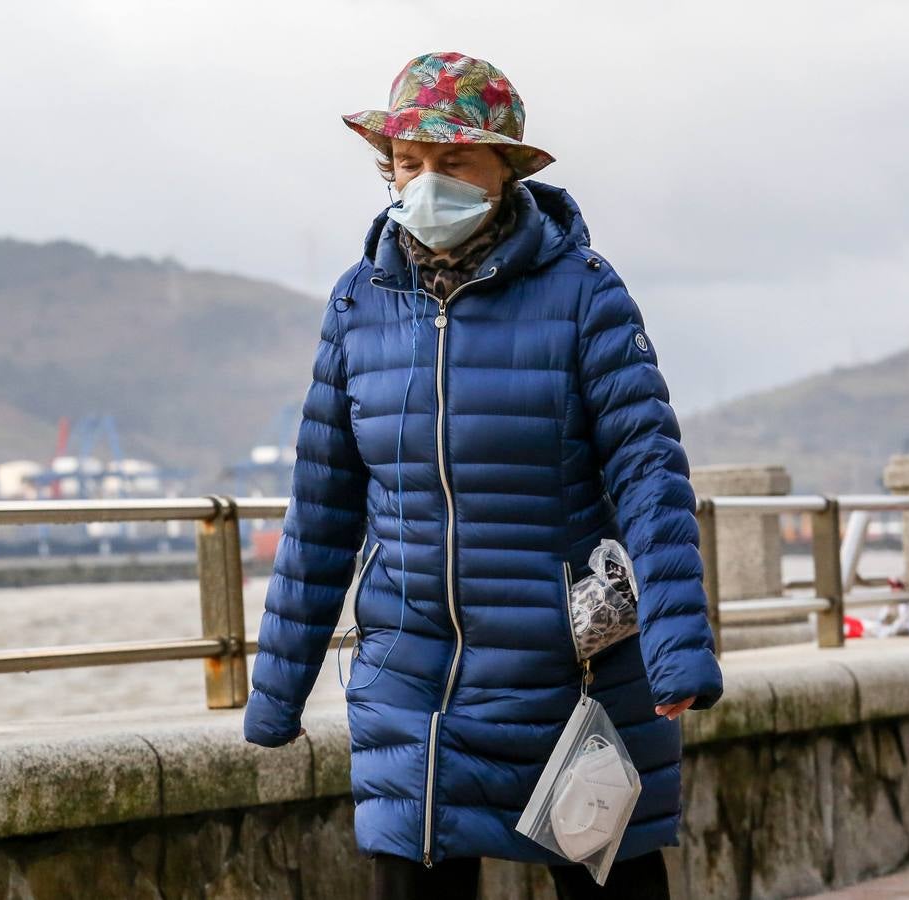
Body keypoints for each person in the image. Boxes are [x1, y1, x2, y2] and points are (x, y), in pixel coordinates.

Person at [243, 51, 723, 900]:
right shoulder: (357, 306)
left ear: (505, 168)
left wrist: (678, 651)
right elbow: (321, 509)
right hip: (413, 688)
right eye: (408, 163)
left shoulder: (585, 296)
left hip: (570, 680)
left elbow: (650, 476)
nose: (427, 181)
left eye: (453, 160)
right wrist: (277, 692)